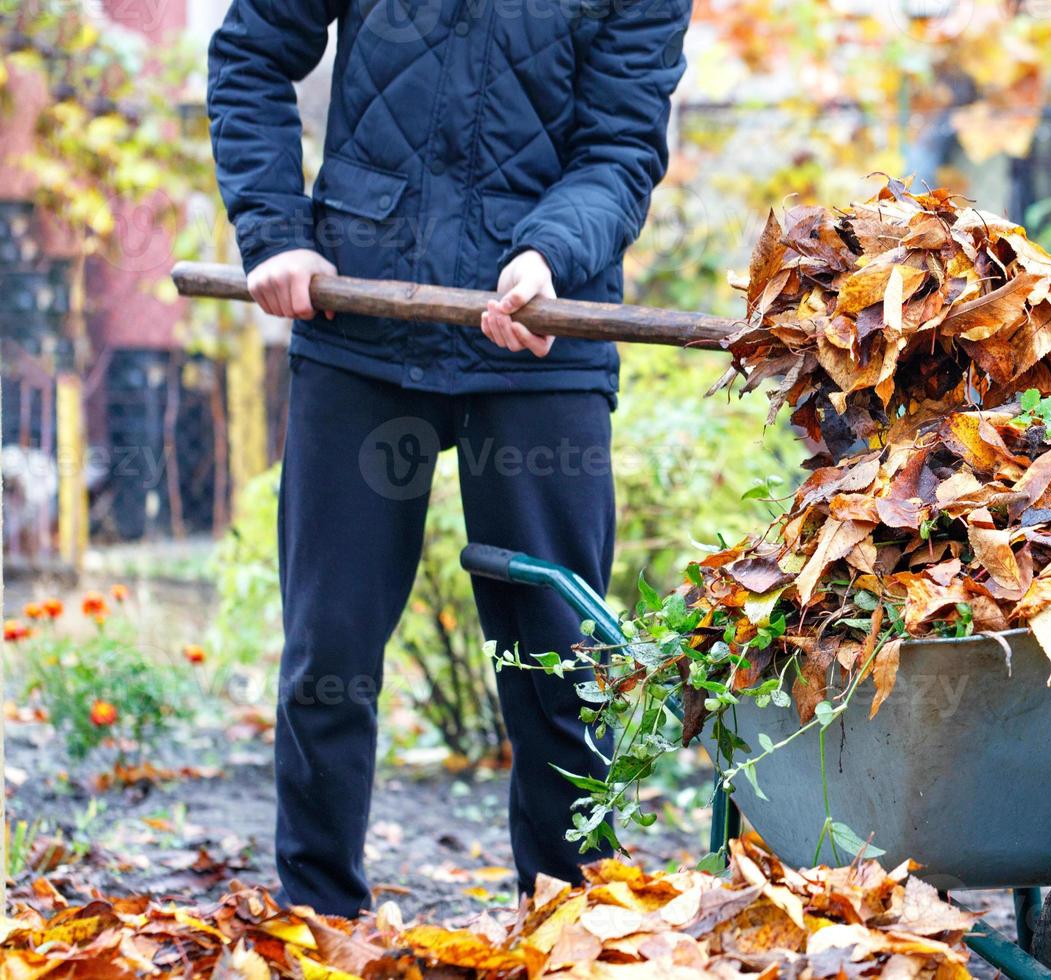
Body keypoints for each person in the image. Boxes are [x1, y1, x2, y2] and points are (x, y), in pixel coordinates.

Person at [206, 0, 691, 917]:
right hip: (361, 316)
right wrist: (275, 232)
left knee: (558, 660)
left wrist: (550, 253)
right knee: (328, 652)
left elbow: (620, 149)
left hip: (543, 335)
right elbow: (250, 55)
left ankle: (571, 924)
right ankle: (317, 921)